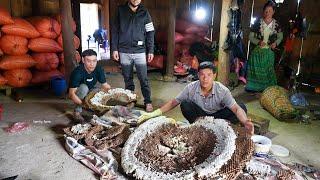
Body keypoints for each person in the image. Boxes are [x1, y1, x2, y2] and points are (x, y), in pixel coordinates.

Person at [138, 62, 254, 135]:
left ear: (214, 76)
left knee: (241, 106)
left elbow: (236, 109)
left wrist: (245, 122)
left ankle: (221, 127)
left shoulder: (222, 90)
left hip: (219, 117)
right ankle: (199, 127)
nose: (205, 78)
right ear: (198, 75)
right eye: (202, 75)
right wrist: (154, 113)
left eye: (209, 75)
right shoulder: (191, 87)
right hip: (201, 116)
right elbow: (174, 102)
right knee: (185, 104)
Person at [111, 0, 155, 112]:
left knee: (143, 79)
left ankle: (148, 101)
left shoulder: (144, 12)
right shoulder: (121, 10)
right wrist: (115, 49)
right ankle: (130, 100)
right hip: (124, 50)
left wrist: (150, 50)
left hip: (140, 51)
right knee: (128, 79)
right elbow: (115, 30)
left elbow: (150, 32)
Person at [246, 1, 283, 92]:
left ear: (273, 12)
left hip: (269, 50)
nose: (267, 13)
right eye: (266, 11)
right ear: (263, 12)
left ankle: (267, 88)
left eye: (270, 11)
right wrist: (258, 42)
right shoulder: (258, 23)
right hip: (258, 49)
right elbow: (250, 36)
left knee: (267, 65)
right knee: (254, 60)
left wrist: (275, 43)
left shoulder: (277, 24)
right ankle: (254, 87)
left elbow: (280, 37)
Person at [69, 49, 111, 122]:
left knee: (98, 91)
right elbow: (71, 94)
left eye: (94, 61)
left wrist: (112, 96)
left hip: (90, 89)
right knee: (84, 88)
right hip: (78, 92)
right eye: (89, 61)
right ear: (83, 60)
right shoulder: (77, 72)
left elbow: (106, 86)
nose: (92, 64)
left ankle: (94, 108)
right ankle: (77, 112)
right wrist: (84, 104)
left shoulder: (98, 69)